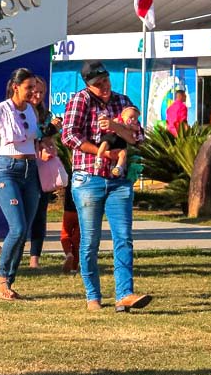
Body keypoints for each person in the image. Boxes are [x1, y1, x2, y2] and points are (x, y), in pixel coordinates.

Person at [61, 60, 151, 313]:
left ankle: (125, 294)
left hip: (119, 181)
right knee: (89, 240)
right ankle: (93, 297)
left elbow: (138, 138)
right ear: (88, 85)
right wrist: (103, 154)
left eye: (106, 81)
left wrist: (115, 127)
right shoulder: (80, 101)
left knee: (123, 237)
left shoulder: (123, 102)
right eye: (98, 84)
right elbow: (69, 135)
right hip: (88, 178)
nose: (104, 87)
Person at [0, 68, 42, 301]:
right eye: (29, 87)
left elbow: (36, 140)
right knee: (18, 228)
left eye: (35, 87)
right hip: (8, 171)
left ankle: (9, 282)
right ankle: (2, 277)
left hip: (31, 171)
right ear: (16, 87)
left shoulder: (32, 110)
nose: (34, 92)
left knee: (25, 231)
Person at [28, 76, 60, 269]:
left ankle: (34, 258)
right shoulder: (19, 112)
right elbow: (31, 136)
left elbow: (46, 140)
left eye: (41, 93)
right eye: (34, 91)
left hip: (42, 167)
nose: (38, 96)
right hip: (22, 166)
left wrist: (50, 143)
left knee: (40, 212)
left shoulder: (46, 114)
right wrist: (49, 130)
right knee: (24, 214)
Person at [95, 106, 141, 179]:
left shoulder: (134, 125)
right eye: (131, 117)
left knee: (123, 154)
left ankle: (119, 167)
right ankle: (99, 158)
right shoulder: (118, 120)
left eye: (135, 118)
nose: (133, 119)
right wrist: (119, 124)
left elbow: (137, 130)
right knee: (104, 145)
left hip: (121, 141)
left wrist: (131, 126)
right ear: (123, 115)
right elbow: (112, 123)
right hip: (111, 137)